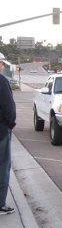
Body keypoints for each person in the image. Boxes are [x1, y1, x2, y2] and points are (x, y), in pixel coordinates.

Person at [0, 54, 16, 215]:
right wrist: (10, 124)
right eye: (2, 64)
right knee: (3, 166)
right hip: (1, 130)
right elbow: (9, 108)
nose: (3, 67)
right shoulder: (2, 81)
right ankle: (0, 204)